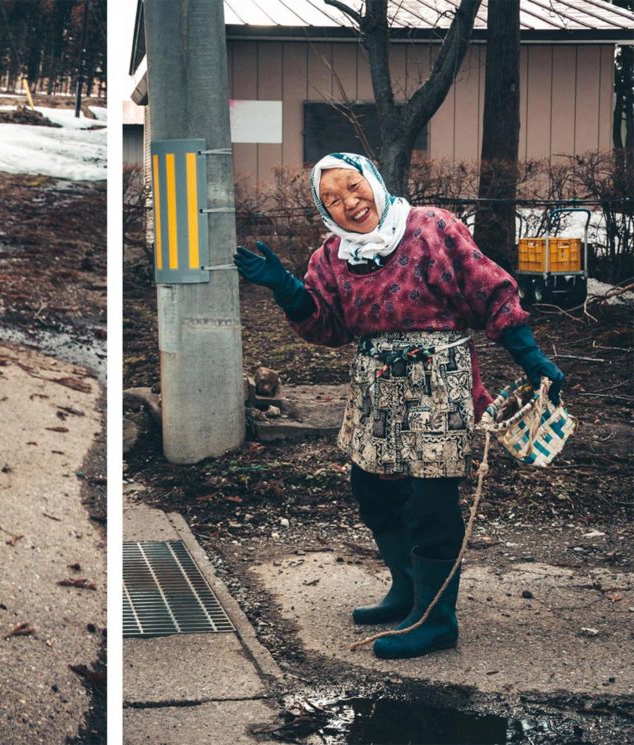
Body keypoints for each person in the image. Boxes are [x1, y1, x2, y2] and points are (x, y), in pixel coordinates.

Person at [234, 152, 563, 660]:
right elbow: (327, 326)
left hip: (439, 385)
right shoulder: (332, 257)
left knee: (430, 503)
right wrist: (287, 289)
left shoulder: (432, 227)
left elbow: (488, 291)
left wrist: (532, 358)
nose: (349, 203)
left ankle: (436, 620)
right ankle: (407, 591)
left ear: (373, 180)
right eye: (332, 200)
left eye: (353, 186)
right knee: (373, 493)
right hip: (375, 389)